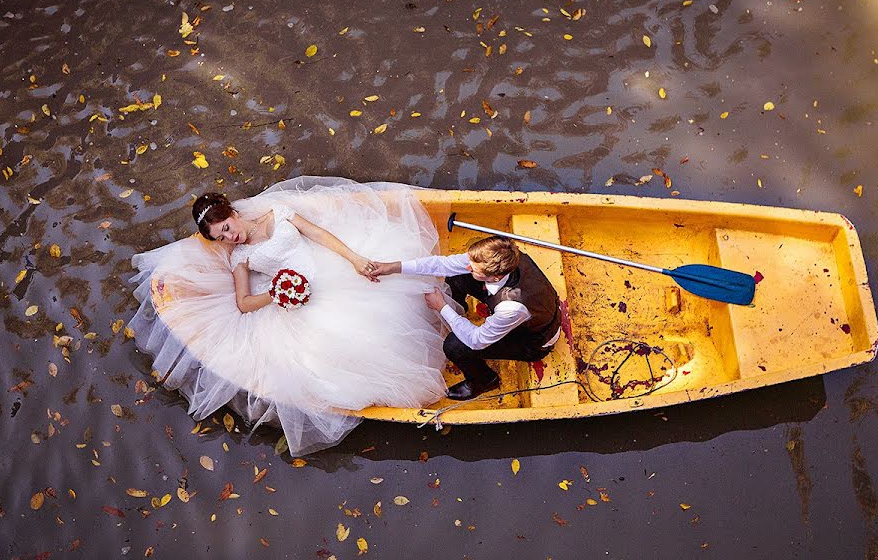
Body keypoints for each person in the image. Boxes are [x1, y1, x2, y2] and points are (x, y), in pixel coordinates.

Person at [128, 177, 448, 456]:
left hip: (327, 269)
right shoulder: (240, 257)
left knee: (388, 297)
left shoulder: (278, 213)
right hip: (296, 298)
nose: (230, 238)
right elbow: (243, 303)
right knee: (340, 344)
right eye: (221, 238)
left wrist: (353, 259)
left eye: (226, 228)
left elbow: (319, 235)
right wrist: (278, 292)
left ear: (233, 213)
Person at [370, 236, 562, 401]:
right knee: (456, 275)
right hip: (516, 309)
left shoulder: (512, 306)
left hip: (532, 340)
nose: (469, 266)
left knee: (456, 345)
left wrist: (442, 307)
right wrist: (394, 267)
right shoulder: (501, 258)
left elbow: (477, 340)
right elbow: (441, 264)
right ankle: (459, 313)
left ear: (495, 277)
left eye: (474, 268)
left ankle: (484, 381)